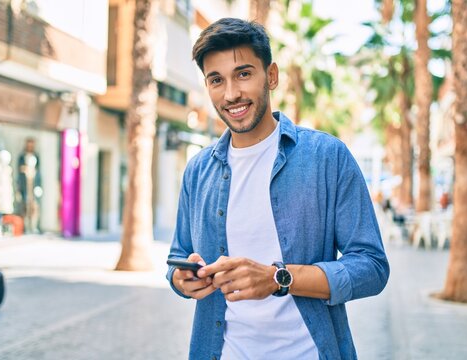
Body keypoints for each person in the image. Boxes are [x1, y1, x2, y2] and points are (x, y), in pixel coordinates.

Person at [167, 18, 389, 360]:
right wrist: (182, 280)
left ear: (271, 75)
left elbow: (372, 267)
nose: (231, 94)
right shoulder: (198, 170)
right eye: (216, 80)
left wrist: (279, 279)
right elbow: (178, 256)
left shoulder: (327, 157)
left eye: (243, 74)